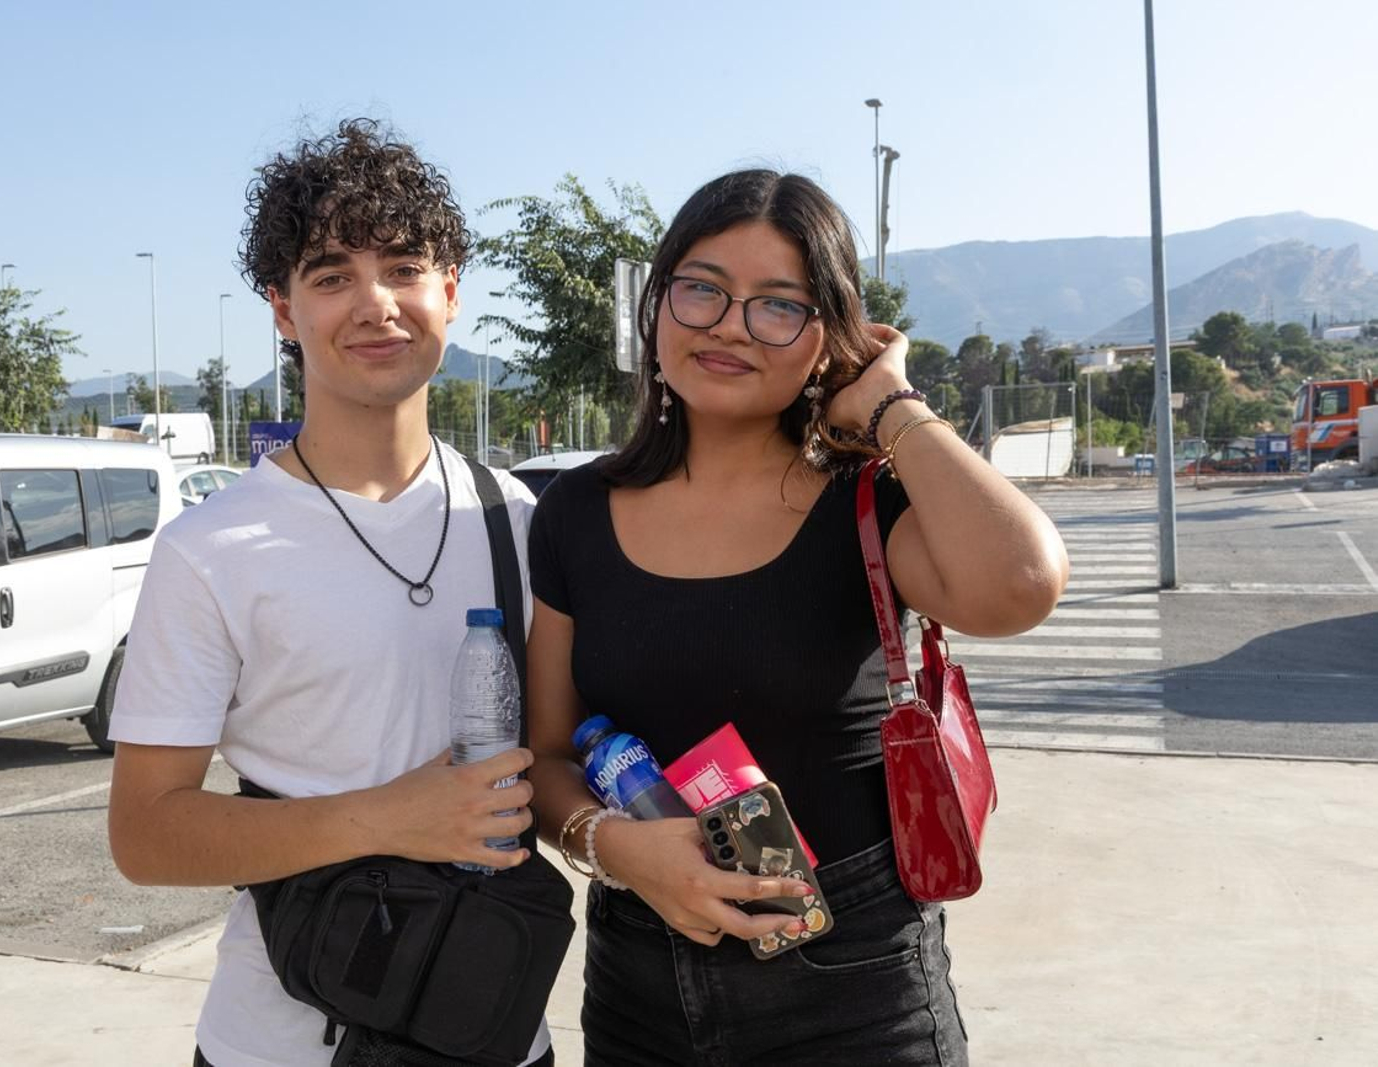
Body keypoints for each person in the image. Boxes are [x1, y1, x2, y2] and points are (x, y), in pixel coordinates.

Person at [526, 169, 1069, 1065]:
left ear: (829, 340)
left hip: (854, 985)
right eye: (701, 289)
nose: (731, 324)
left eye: (779, 305)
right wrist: (619, 849)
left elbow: (1022, 582)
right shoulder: (577, 512)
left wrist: (891, 406)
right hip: (639, 984)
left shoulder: (868, 501)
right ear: (657, 304)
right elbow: (547, 755)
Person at [106, 119, 552, 1067]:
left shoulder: (510, 514)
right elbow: (145, 832)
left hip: (494, 1023)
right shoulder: (210, 549)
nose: (375, 303)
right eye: (331, 274)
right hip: (282, 1040)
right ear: (282, 308)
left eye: (402, 266)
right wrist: (391, 815)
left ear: (452, 294)